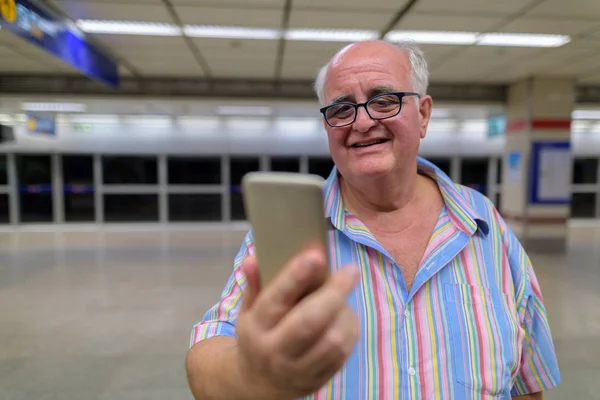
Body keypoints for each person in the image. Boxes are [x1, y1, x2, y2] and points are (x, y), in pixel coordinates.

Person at [185, 40, 561, 400]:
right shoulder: (289, 233)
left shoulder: (485, 225)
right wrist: (253, 374)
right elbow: (211, 347)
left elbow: (526, 381)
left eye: (384, 101)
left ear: (424, 113)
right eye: (341, 109)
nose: (362, 122)